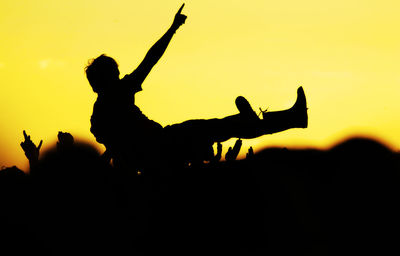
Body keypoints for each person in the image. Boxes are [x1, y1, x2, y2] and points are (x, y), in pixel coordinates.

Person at [85, 4, 308, 172]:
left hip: (160, 148)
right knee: (216, 127)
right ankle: (277, 119)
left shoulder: (99, 115)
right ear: (106, 80)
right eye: (116, 74)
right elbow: (150, 59)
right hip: (163, 147)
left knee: (220, 127)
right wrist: (172, 29)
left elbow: (114, 149)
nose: (122, 76)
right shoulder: (118, 94)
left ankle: (286, 119)